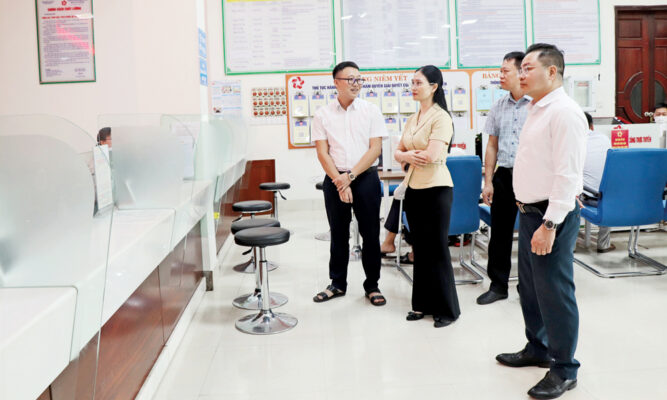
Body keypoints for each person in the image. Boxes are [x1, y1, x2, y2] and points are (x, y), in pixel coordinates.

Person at [496, 43, 586, 399]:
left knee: (554, 292)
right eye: (520, 69)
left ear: (552, 72)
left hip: (551, 216)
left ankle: (564, 369)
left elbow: (568, 175)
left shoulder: (565, 113)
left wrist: (549, 225)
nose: (521, 74)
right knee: (530, 288)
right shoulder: (537, 108)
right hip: (531, 212)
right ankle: (538, 347)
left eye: (528, 68)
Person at [311, 61, 388, 306]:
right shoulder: (322, 114)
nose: (356, 84)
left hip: (365, 178)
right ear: (336, 83)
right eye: (350, 79)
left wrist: (350, 177)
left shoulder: (371, 111)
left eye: (359, 79)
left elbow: (375, 149)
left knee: (371, 234)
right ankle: (337, 283)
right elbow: (322, 153)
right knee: (338, 233)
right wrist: (339, 181)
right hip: (335, 178)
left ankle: (372, 285)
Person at [394, 65, 460, 328]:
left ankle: (447, 310)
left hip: (436, 188)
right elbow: (398, 151)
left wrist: (406, 156)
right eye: (411, 83)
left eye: (418, 83)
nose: (413, 87)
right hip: (414, 188)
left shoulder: (441, 117)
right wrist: (406, 155)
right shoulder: (413, 118)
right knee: (419, 249)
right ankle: (421, 304)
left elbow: (431, 156)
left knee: (437, 249)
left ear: (434, 87)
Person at [477, 51, 531, 305]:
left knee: (530, 233)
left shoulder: (537, 105)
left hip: (531, 176)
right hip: (504, 176)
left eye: (505, 71)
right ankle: (498, 286)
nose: (500, 75)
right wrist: (488, 181)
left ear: (521, 72)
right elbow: (491, 145)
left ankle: (528, 287)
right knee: (499, 234)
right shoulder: (498, 105)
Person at [581, 112, 613, 253]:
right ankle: (604, 244)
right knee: (607, 192)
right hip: (608, 199)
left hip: (584, 198)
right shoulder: (604, 139)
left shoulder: (571, 141)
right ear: (592, 126)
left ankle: (570, 245)